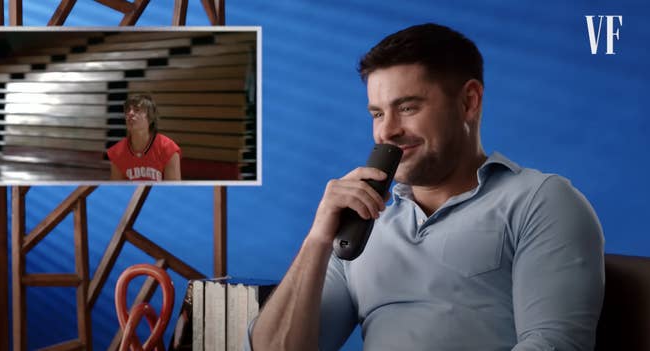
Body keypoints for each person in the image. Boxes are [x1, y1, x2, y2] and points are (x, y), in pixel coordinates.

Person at [248, 23, 604, 350]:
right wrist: (318, 239)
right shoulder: (362, 225)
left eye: (407, 107)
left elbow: (555, 344)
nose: (387, 131)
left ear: (469, 102)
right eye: (376, 114)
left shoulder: (539, 202)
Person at [107, 94, 182, 181]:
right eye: (128, 110)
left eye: (137, 110)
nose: (130, 113)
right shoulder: (117, 152)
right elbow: (117, 192)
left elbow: (173, 191)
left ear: (150, 118)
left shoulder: (168, 148)